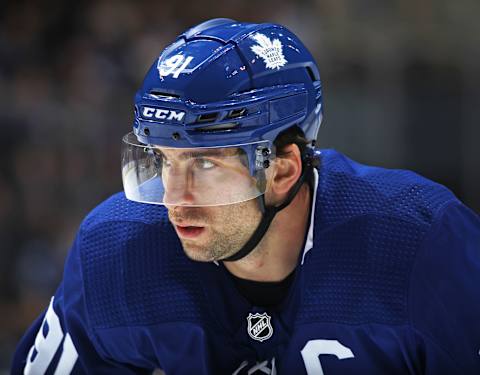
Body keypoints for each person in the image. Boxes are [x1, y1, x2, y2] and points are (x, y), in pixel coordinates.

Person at [12, 18, 480, 375]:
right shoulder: (114, 251)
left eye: (205, 164)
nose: (176, 198)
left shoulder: (422, 242)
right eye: (164, 161)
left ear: (282, 171)